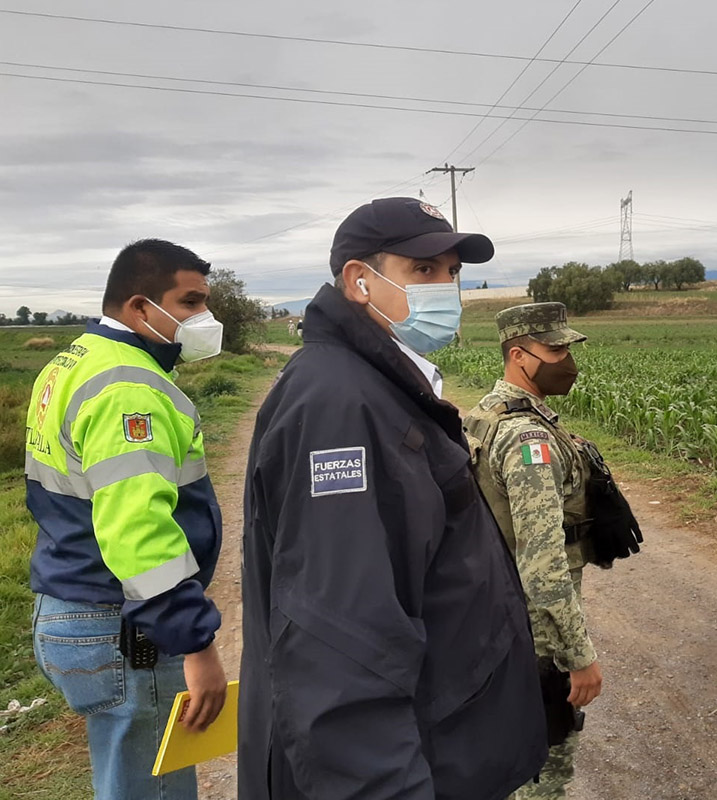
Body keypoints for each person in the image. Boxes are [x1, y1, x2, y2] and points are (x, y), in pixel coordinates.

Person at [240, 197, 547, 800]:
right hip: (408, 765)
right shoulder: (339, 406)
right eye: (423, 270)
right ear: (360, 281)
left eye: (452, 272)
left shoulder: (380, 385)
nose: (446, 289)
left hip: (437, 739)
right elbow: (341, 645)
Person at [25, 239, 228, 800]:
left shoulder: (73, 361)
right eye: (189, 303)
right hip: (122, 624)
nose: (203, 318)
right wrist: (196, 644)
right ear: (141, 307)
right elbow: (138, 532)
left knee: (125, 779)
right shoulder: (128, 388)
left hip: (69, 602)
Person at [464, 302, 641, 800]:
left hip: (495, 610)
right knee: (541, 775)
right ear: (518, 355)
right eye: (555, 349)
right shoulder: (528, 438)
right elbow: (543, 566)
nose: (568, 360)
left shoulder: (486, 415)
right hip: (535, 635)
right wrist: (579, 656)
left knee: (508, 760)